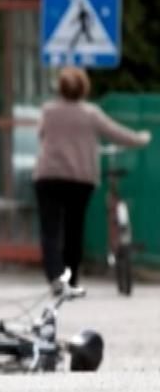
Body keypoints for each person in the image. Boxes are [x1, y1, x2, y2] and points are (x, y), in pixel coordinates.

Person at [34, 67, 151, 293]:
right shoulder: (91, 113)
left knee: (50, 229)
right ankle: (71, 278)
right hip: (80, 178)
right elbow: (116, 133)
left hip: (48, 176)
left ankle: (55, 276)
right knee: (74, 229)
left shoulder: (48, 111)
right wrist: (140, 139)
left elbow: (41, 135)